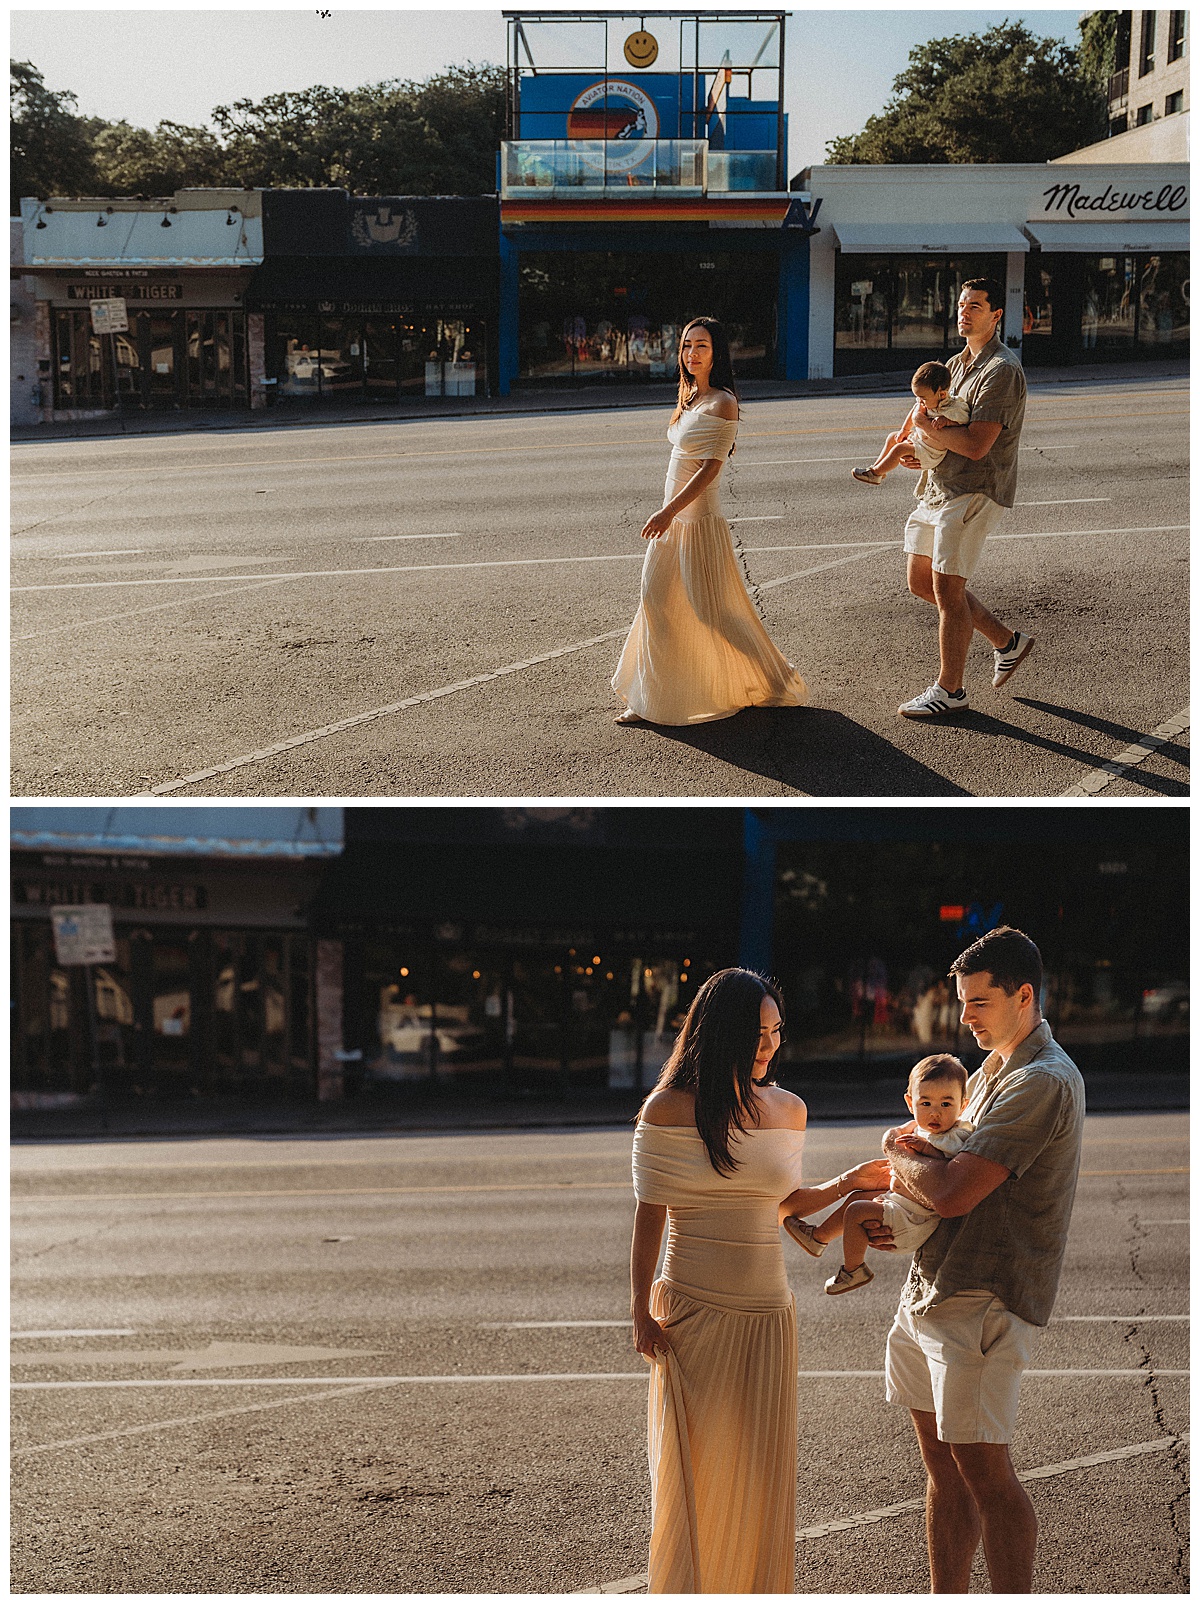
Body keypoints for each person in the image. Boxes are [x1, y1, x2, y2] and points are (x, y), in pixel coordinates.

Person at [630, 968, 889, 1592]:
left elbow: (778, 1204)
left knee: (763, 1472)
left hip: (769, 1311)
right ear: (718, 1035)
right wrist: (639, 1310)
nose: (770, 1046)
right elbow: (651, 1215)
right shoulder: (666, 1109)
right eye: (756, 1034)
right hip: (689, 1311)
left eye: (776, 1032)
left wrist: (847, 1184)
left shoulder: (789, 1109)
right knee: (693, 1473)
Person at [868, 926, 1085, 1594]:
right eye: (961, 1002)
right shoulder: (990, 1074)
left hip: (983, 1302)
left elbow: (955, 1191)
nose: (963, 1017)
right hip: (930, 1292)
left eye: (978, 1002)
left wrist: (896, 1148)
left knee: (986, 1474)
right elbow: (939, 1176)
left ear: (1024, 996)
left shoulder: (1041, 1081)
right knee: (943, 1473)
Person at [612, 317, 806, 726]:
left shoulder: (723, 401)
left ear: (716, 352)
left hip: (696, 522)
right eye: (686, 345)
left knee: (713, 613)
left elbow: (709, 469)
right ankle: (648, 696)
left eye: (701, 345)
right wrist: (667, 512)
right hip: (671, 523)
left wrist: (667, 512)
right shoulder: (689, 396)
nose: (692, 353)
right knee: (656, 602)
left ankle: (774, 678)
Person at [897, 279, 1035, 720]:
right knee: (921, 582)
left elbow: (977, 444)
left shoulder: (1001, 371)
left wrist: (932, 432)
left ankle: (950, 690)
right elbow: (928, 419)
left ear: (996, 316)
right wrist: (922, 450)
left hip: (976, 488)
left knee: (947, 588)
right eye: (961, 305)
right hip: (941, 486)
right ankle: (1006, 641)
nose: (964, 312)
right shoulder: (954, 364)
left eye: (975, 306)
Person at [783, 1053, 974, 1296]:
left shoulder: (956, 1134)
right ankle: (818, 1237)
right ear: (910, 1103)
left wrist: (925, 1149)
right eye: (925, 1104)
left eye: (946, 1104)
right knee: (859, 1196)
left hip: (915, 1220)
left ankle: (854, 1270)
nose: (935, 1113)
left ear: (963, 1105)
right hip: (902, 1205)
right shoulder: (921, 1129)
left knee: (856, 1211)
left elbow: (948, 1171)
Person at [850, 362, 970, 491]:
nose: (919, 401)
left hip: (931, 453)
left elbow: (965, 419)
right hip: (918, 441)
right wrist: (904, 430)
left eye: (923, 398)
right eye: (917, 397)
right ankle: (877, 468)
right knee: (893, 437)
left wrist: (946, 421)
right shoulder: (926, 402)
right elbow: (914, 411)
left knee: (900, 449)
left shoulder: (952, 407)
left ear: (942, 395)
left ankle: (875, 474)